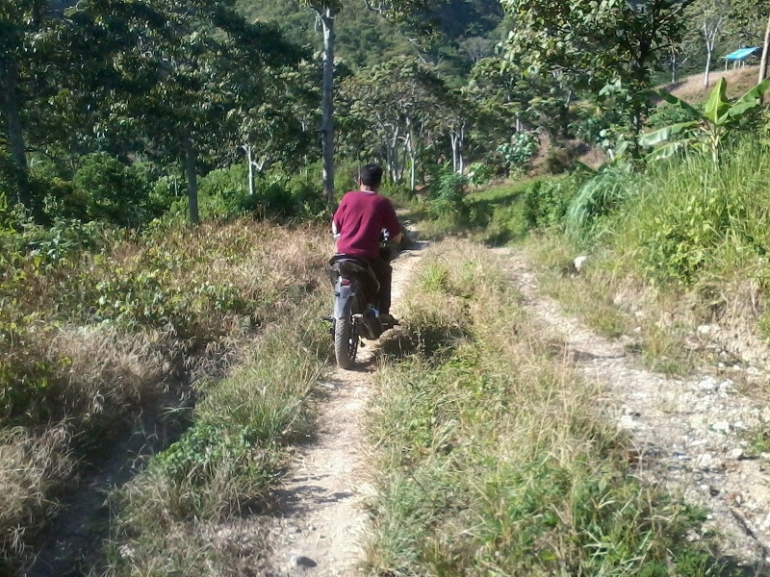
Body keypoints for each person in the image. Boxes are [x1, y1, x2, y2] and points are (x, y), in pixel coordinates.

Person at [332, 163, 403, 323]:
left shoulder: (348, 197)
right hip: (367, 257)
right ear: (379, 183)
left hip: (342, 255)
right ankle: (383, 312)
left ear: (359, 180)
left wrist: (340, 239)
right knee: (385, 273)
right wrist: (395, 239)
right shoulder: (382, 203)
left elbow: (335, 225)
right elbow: (397, 237)